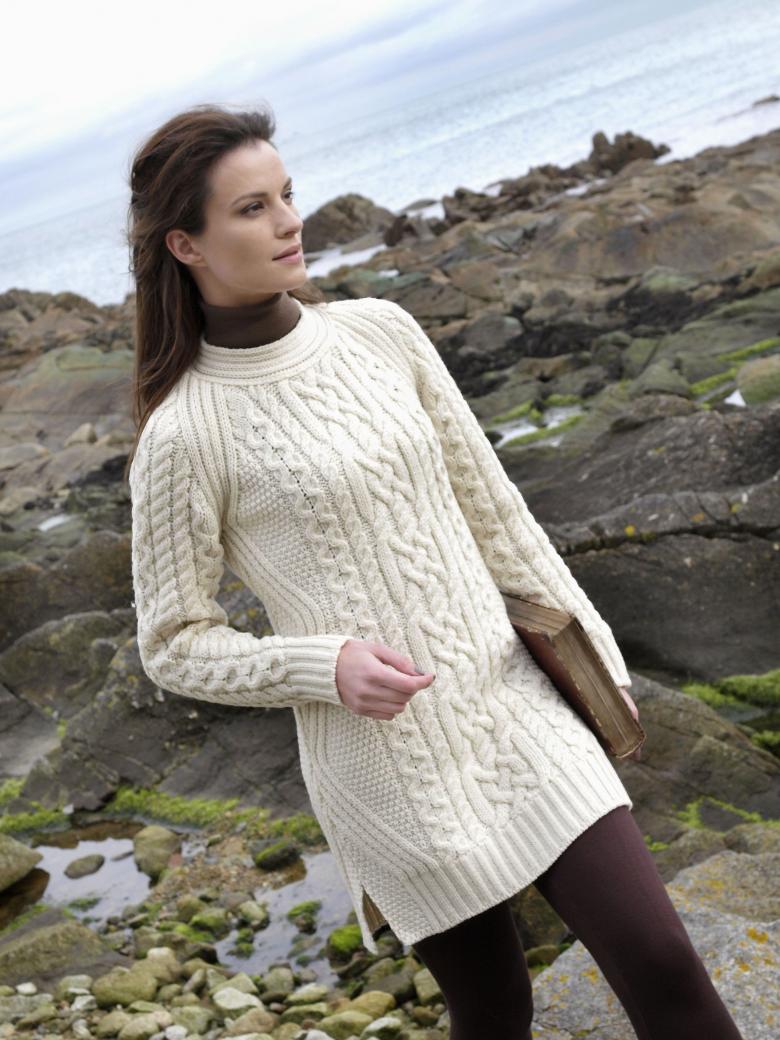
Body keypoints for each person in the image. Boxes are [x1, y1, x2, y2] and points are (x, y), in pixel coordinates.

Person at [124, 103, 745, 1039]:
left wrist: (597, 657)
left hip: (518, 707)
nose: (290, 221)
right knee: (493, 1011)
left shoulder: (382, 331)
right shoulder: (182, 435)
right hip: (390, 773)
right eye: (253, 208)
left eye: (287, 194)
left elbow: (497, 514)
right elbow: (172, 642)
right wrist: (322, 664)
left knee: (662, 961)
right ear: (186, 244)